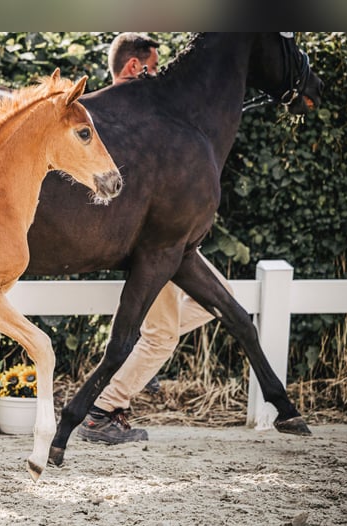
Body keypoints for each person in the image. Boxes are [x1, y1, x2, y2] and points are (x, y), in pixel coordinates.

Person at [77, 33, 234, 444]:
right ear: (134, 67)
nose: (159, 75)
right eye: (154, 66)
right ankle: (101, 409)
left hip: (162, 243)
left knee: (199, 313)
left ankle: (124, 377)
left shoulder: (120, 114)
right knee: (164, 335)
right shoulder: (140, 117)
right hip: (155, 244)